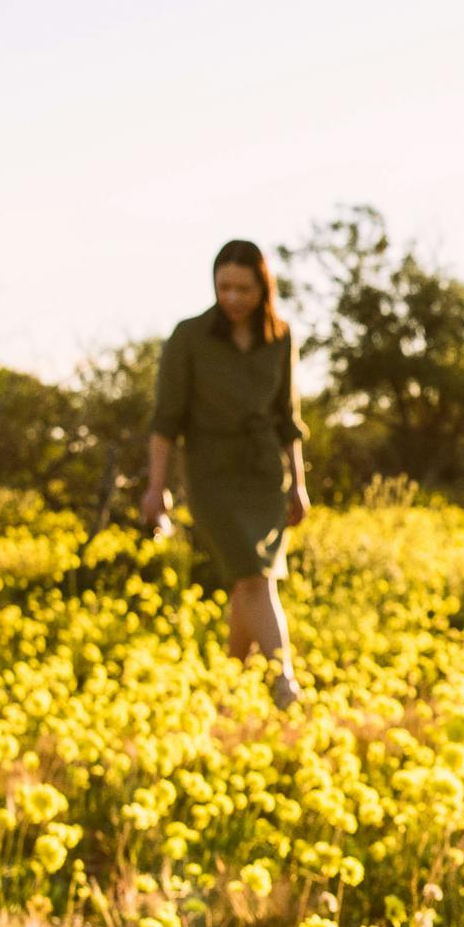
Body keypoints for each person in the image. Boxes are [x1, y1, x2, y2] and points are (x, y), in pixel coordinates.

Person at [140, 239, 311, 708]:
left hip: (263, 474)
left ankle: (230, 686)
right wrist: (157, 490)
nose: (233, 298)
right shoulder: (188, 337)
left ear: (263, 289)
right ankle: (284, 683)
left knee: (247, 581)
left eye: (244, 289)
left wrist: (298, 483)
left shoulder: (281, 337)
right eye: (224, 287)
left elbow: (287, 419)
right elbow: (166, 420)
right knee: (256, 577)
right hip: (211, 473)